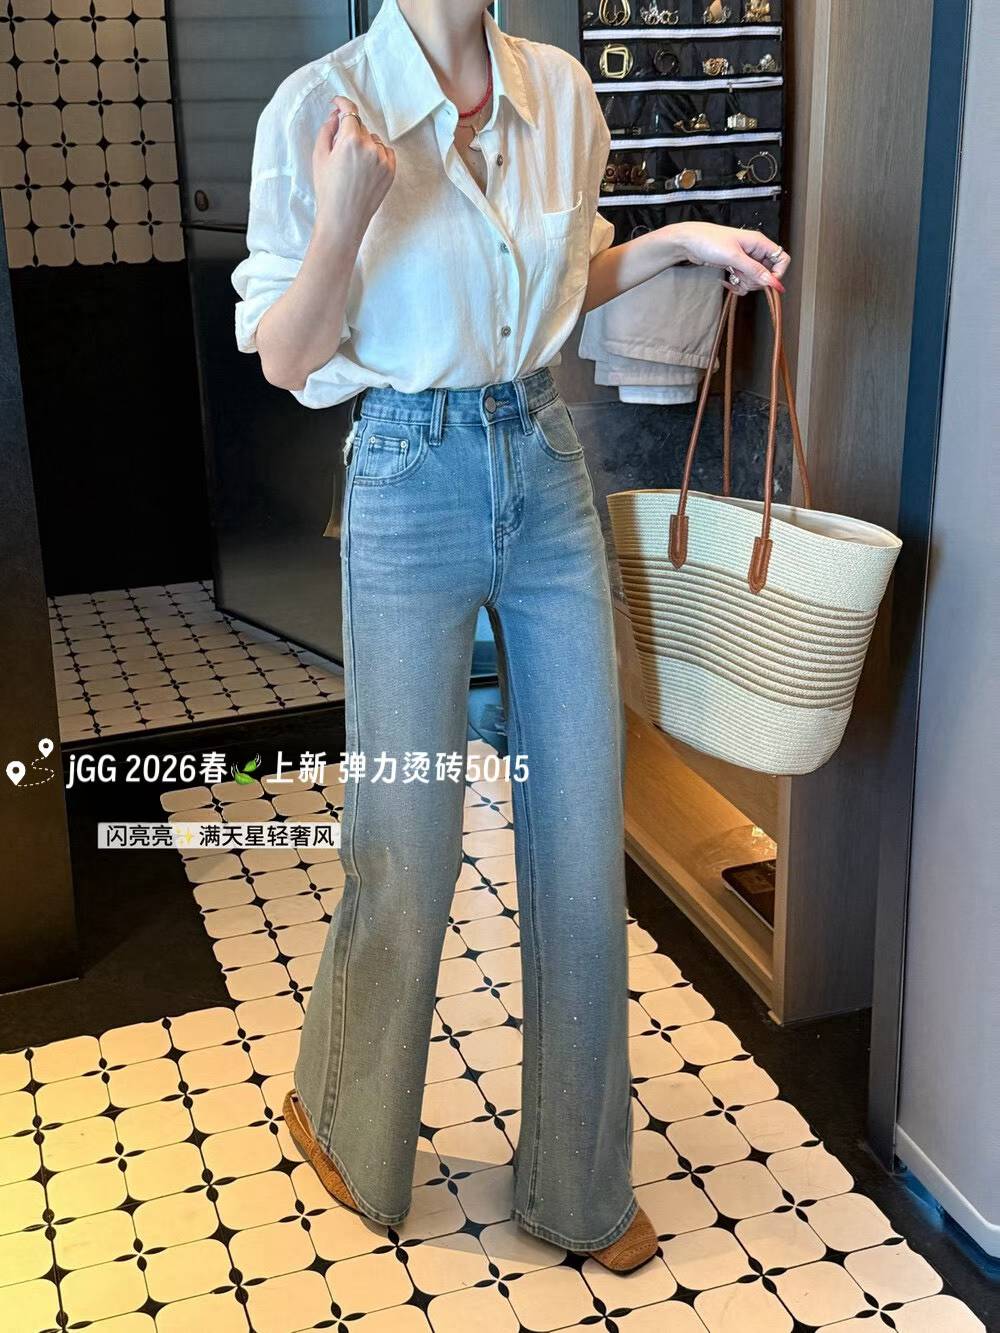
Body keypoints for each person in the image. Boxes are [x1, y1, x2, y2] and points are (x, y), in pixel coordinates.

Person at [231, 0, 790, 1275]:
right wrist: (344, 216)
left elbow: (563, 279)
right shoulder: (321, 108)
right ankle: (346, 1115)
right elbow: (288, 359)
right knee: (408, 838)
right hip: (405, 474)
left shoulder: (562, 93)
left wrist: (676, 243)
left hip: (540, 461)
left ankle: (577, 1185)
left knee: (583, 832)